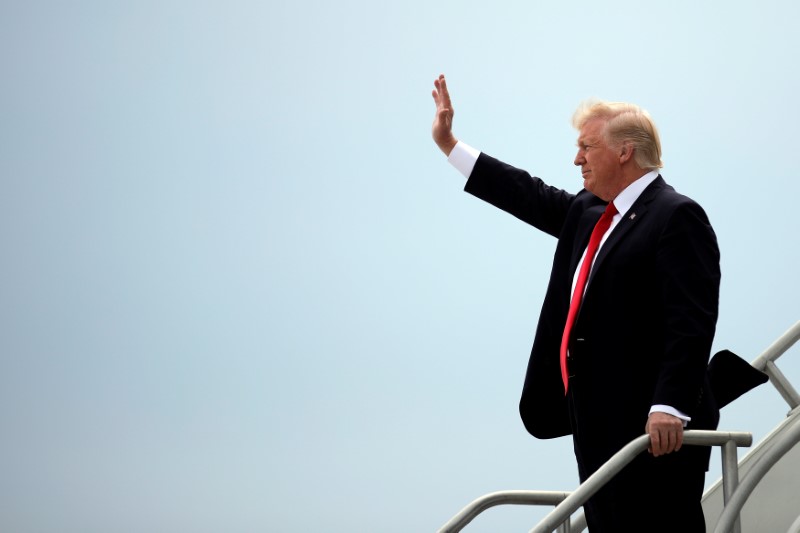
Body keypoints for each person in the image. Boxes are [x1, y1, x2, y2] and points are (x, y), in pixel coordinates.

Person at [431, 74, 721, 532]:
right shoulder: (588, 213)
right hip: (595, 421)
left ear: (625, 151)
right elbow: (526, 193)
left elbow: (692, 318)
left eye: (587, 147)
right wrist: (451, 145)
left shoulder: (675, 215)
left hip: (655, 431)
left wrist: (670, 404)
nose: (577, 158)